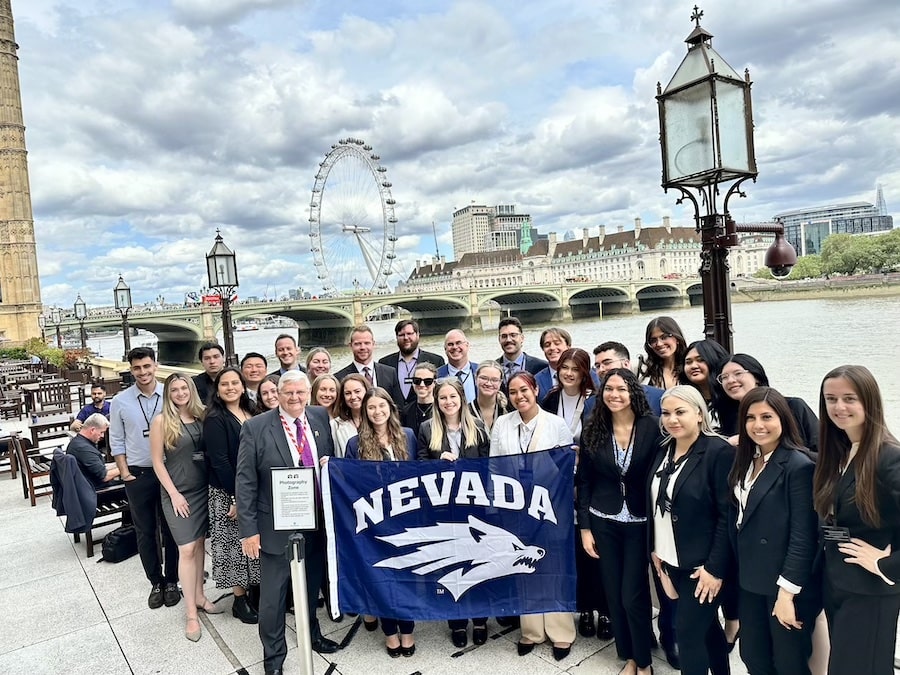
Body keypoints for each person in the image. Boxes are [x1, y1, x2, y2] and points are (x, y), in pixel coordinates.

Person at [236, 371, 339, 673]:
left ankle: (312, 636)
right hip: (274, 527)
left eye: (300, 393)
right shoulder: (255, 428)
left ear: (309, 393)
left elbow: (328, 462)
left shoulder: (320, 417)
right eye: (288, 393)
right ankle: (274, 658)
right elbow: (245, 482)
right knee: (273, 599)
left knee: (309, 588)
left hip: (316, 521)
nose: (295, 398)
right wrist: (249, 530)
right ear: (277, 395)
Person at [813, 365, 900, 675]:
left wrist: (885, 564)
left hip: (871, 592)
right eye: (831, 399)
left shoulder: (889, 456)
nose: (839, 407)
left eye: (849, 398)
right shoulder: (839, 452)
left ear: (869, 402)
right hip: (838, 586)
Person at [728, 387, 820, 675]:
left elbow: (803, 536)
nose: (758, 425)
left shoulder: (798, 465)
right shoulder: (745, 460)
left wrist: (787, 595)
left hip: (785, 584)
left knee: (788, 662)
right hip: (750, 577)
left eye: (767, 416)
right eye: (751, 418)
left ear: (783, 418)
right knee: (753, 656)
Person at [578, 368, 661, 675]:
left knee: (633, 594)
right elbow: (584, 480)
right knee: (613, 593)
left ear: (633, 393)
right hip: (604, 519)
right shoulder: (594, 428)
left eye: (621, 389)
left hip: (640, 522)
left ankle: (645, 662)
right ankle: (628, 656)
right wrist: (585, 527)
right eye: (609, 389)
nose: (614, 394)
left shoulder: (653, 427)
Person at [490, 371, 576, 660]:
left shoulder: (555, 424)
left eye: (524, 390)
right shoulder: (503, 423)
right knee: (523, 565)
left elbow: (568, 468)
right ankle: (532, 631)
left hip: (551, 506)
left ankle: (560, 631)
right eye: (513, 392)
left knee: (552, 566)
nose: (519, 396)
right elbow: (494, 468)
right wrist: (498, 506)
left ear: (536, 389)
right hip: (515, 507)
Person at [650, 385, 733, 675]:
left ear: (699, 414)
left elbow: (727, 516)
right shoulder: (663, 449)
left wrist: (715, 569)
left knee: (687, 633)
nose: (672, 419)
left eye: (680, 412)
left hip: (703, 566)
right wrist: (656, 552)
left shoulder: (717, 452)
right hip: (669, 558)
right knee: (707, 628)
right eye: (666, 413)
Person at [416, 376, 490, 646]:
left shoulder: (479, 427)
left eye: (453, 397)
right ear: (436, 401)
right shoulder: (426, 429)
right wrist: (439, 465)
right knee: (452, 564)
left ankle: (480, 618)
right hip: (443, 508)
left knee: (480, 563)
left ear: (462, 398)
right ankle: (457, 621)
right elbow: (420, 468)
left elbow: (488, 467)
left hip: (474, 507)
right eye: (443, 397)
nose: (448, 402)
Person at [346, 387, 419, 658]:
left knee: (407, 576)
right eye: (371, 408)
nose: (377, 412)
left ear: (390, 407)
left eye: (381, 406)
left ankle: (408, 630)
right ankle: (390, 633)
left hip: (407, 518)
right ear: (365, 412)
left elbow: (421, 472)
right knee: (383, 577)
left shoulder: (408, 436)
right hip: (374, 522)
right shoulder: (356, 443)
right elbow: (350, 481)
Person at [109, 347, 180, 610]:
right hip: (138, 473)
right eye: (137, 368)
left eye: (147, 366)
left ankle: (172, 580)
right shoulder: (120, 401)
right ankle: (156, 582)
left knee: (172, 529)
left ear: (156, 366)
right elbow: (116, 439)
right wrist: (124, 472)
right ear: (131, 370)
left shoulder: (170, 394)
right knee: (145, 531)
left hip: (169, 472)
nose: (143, 372)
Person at [150, 374, 213, 642]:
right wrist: (173, 494)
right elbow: (156, 462)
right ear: (168, 394)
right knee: (186, 548)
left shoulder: (202, 416)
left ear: (191, 390)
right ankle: (190, 613)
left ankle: (199, 595)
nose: (179, 393)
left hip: (202, 489)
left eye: (183, 387)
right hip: (178, 493)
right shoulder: (162, 421)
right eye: (173, 389)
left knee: (199, 544)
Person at [203, 367, 260, 625]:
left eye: (234, 382)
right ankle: (239, 598)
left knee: (251, 542)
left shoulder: (251, 409)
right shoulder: (215, 418)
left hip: (252, 487)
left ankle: (253, 589)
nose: (230, 387)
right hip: (229, 491)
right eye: (224, 384)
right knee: (232, 546)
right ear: (217, 389)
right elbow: (220, 461)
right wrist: (237, 497)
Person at [717, 354, 819, 453]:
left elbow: (822, 447)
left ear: (756, 377)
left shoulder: (794, 406)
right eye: (724, 377)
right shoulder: (729, 416)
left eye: (738, 373)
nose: (730, 380)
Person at [333, 324, 403, 407]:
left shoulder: (390, 373)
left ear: (373, 344)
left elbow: (398, 406)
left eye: (367, 343)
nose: (363, 347)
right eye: (357, 344)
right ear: (350, 346)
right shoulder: (339, 378)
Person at [378, 319, 445, 403]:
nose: (406, 338)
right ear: (396, 337)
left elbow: (441, 392)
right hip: (395, 414)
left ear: (417, 335)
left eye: (409, 334)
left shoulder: (436, 361)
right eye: (401, 335)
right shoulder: (384, 363)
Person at [540, 347, 596, 445]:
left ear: (584, 373)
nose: (569, 373)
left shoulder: (594, 401)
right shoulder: (551, 399)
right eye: (564, 367)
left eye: (575, 369)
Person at [593, 341, 664, 416]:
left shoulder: (658, 397)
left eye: (607, 363)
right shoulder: (590, 404)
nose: (601, 369)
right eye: (598, 366)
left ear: (626, 364)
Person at [681, 339, 730, 429]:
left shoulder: (731, 398)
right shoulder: (684, 400)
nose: (694, 366)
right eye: (688, 362)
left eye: (700, 360)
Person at [66, 413, 119, 488]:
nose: (102, 436)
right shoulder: (84, 449)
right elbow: (105, 476)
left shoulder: (78, 442)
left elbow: (100, 467)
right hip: (94, 490)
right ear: (92, 430)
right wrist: (126, 468)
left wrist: (120, 464)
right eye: (101, 432)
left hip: (87, 484)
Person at [637, 316, 687, 390]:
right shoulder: (641, 368)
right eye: (653, 340)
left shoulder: (689, 367)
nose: (659, 344)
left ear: (677, 338)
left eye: (664, 337)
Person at [495, 317, 548, 386]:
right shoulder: (493, 368)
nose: (508, 340)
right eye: (504, 336)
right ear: (499, 339)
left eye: (513, 335)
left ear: (522, 338)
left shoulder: (541, 367)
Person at [330, 374, 369, 459]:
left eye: (357, 391)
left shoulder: (377, 420)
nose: (353, 397)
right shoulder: (336, 425)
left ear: (367, 391)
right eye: (348, 393)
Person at [468, 361, 511, 433]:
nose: (488, 383)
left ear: (500, 383)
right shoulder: (466, 411)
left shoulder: (509, 410)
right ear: (475, 379)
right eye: (484, 378)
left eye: (494, 380)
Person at [437, 329, 478, 402]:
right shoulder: (437, 376)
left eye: (458, 343)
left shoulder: (480, 371)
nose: (455, 347)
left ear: (467, 345)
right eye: (450, 344)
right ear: (445, 349)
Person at [534, 327, 572, 400]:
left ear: (568, 346)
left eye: (557, 343)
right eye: (547, 345)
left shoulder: (585, 372)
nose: (552, 347)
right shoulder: (536, 381)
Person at [400, 363, 437, 436]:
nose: (422, 385)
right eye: (417, 381)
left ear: (434, 383)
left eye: (427, 381)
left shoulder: (442, 408)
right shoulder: (405, 411)